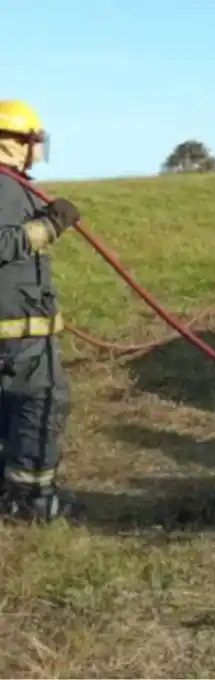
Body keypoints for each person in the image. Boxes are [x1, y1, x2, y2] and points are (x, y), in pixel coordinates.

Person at [0, 99, 80, 522]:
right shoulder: (5, 187)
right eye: (33, 141)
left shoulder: (12, 186)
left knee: (10, 412)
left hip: (15, 331)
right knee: (42, 404)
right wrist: (49, 226)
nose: (36, 150)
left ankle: (11, 494)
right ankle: (30, 504)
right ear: (14, 141)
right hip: (17, 336)